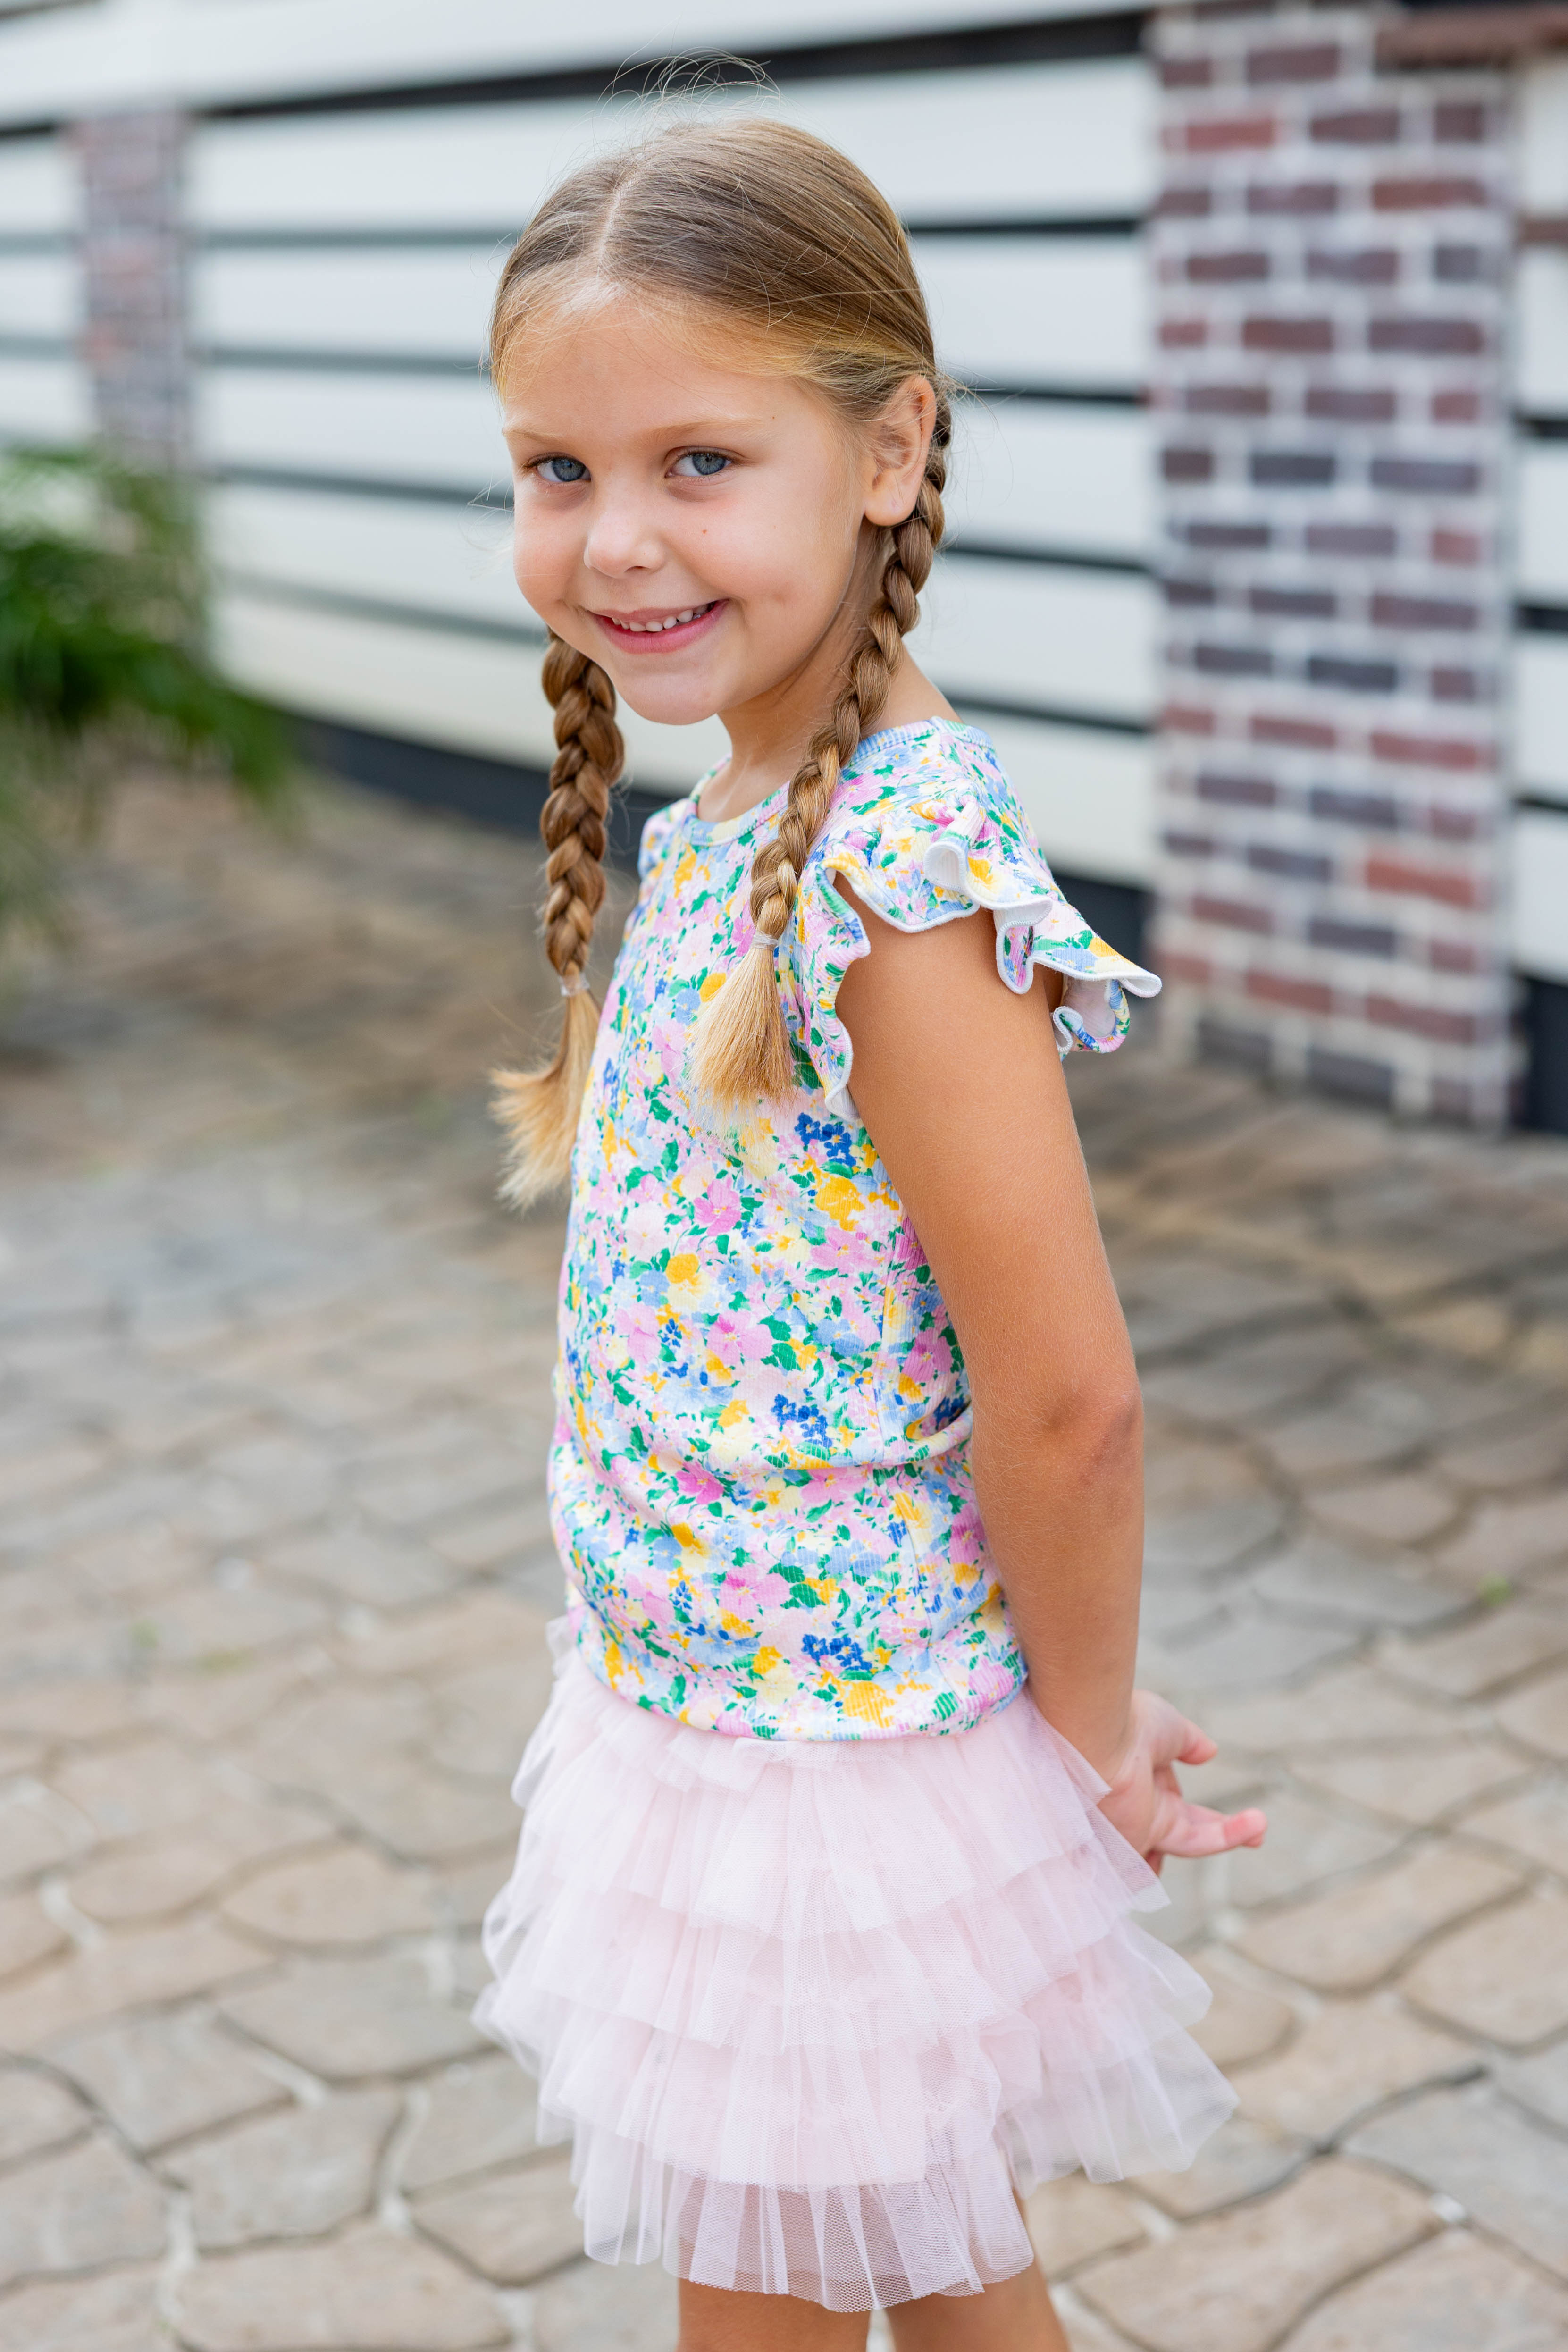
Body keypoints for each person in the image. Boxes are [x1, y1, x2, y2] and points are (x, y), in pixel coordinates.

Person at [475, 113, 1266, 2351]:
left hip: (828, 1768)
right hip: (716, 1698)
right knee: (936, 2266)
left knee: (804, 2289)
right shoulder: (741, 794)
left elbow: (1066, 1388)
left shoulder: (896, 873)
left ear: (892, 447)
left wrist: (1088, 1740)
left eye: (697, 461)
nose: (615, 539)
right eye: (556, 467)